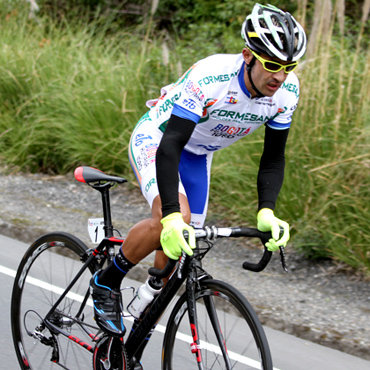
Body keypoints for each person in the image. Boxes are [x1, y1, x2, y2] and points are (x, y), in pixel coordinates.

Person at [90, 2, 307, 340]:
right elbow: (171, 144)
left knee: (180, 250)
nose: (280, 76)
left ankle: (139, 327)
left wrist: (267, 210)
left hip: (199, 154)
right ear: (248, 55)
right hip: (160, 139)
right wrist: (173, 216)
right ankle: (107, 279)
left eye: (289, 66)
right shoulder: (211, 76)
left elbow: (273, 158)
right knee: (176, 218)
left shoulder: (287, 92)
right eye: (272, 64)